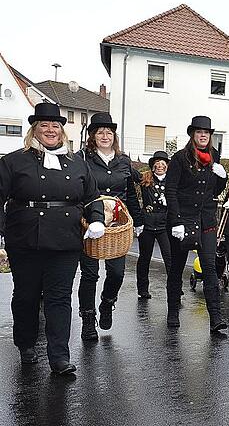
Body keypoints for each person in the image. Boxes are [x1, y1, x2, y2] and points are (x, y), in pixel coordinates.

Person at [0, 102, 105, 375]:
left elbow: (92, 197)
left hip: (66, 240)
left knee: (60, 298)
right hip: (25, 239)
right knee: (27, 296)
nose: (50, 130)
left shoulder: (77, 163)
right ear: (35, 129)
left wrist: (97, 220)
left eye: (55, 126)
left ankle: (59, 356)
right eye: (44, 126)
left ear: (62, 131)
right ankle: (25, 344)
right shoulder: (13, 161)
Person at [76, 112, 143, 341]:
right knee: (90, 274)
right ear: (92, 136)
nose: (105, 136)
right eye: (100, 132)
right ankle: (87, 319)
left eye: (109, 132)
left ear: (114, 135)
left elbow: (131, 194)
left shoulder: (123, 161)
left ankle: (107, 302)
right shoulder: (82, 159)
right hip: (90, 222)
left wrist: (139, 220)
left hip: (116, 224)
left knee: (116, 273)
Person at [165, 115, 228, 331]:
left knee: (210, 268)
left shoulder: (214, 156)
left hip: (206, 220)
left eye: (207, 132)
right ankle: (173, 312)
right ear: (193, 134)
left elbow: (216, 191)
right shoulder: (180, 158)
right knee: (176, 268)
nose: (203, 135)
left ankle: (216, 319)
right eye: (199, 132)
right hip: (183, 220)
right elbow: (170, 190)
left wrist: (223, 178)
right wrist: (176, 221)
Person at [135, 150, 172, 300]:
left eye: (163, 164)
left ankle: (174, 287)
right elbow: (131, 173)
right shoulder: (146, 179)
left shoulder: (172, 181)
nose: (160, 166)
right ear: (152, 166)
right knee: (145, 257)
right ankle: (142, 289)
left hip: (165, 224)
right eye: (157, 164)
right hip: (148, 224)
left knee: (170, 257)